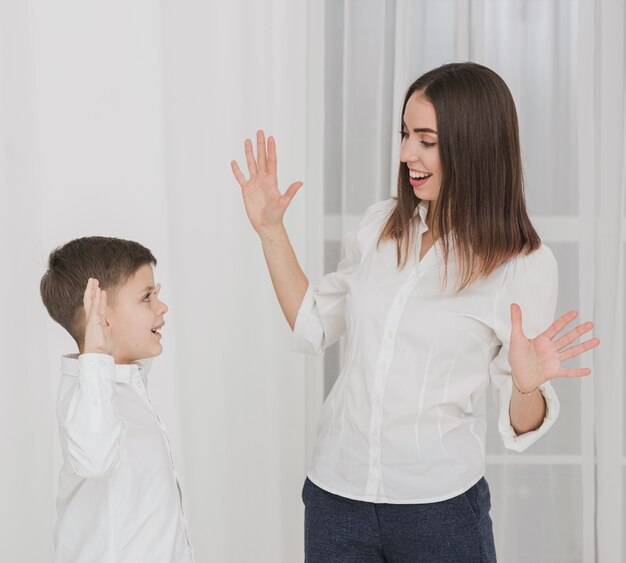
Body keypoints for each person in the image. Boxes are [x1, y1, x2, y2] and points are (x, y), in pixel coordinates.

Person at [231, 62, 599, 562]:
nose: (406, 154)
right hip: (337, 498)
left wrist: (526, 384)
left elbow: (522, 421)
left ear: (474, 146)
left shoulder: (522, 265)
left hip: (440, 512)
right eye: (405, 135)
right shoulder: (380, 225)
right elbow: (314, 322)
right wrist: (270, 230)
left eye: (426, 140)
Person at [40, 237, 194, 563]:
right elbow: (95, 458)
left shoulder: (123, 382)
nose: (162, 306)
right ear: (101, 317)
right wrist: (96, 353)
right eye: (147, 297)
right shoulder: (86, 395)